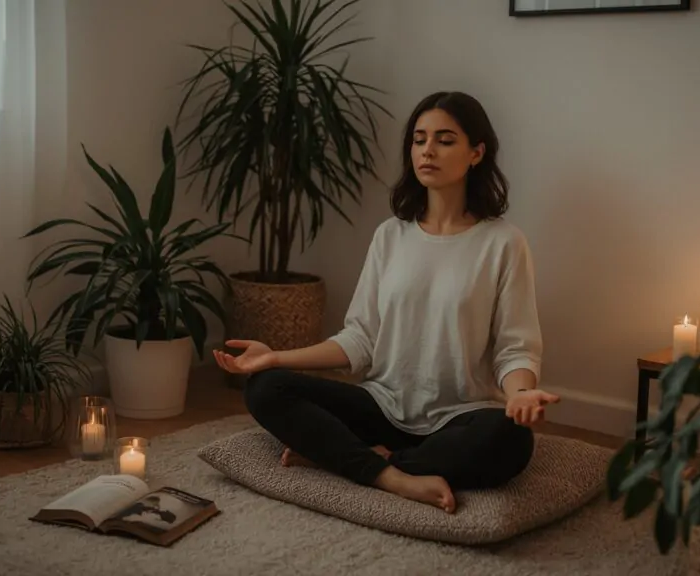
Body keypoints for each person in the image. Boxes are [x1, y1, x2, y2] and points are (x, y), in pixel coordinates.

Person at [213, 91, 559, 514]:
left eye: (445, 140)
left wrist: (520, 394)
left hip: (460, 416)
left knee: (512, 439)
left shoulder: (503, 243)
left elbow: (515, 347)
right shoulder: (390, 236)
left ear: (476, 153)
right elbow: (360, 339)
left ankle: (347, 458)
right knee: (266, 388)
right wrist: (275, 358)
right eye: (419, 139)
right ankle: (393, 477)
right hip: (383, 406)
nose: (427, 151)